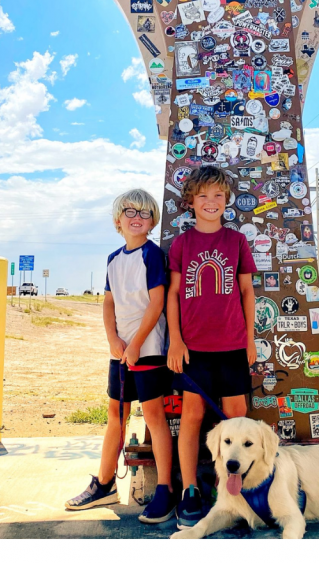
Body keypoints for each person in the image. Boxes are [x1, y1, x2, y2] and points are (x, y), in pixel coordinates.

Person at [66, 189, 176, 522]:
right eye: (130, 212)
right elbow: (109, 303)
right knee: (116, 414)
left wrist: (136, 343)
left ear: (152, 221)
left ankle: (166, 490)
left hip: (150, 350)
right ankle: (104, 484)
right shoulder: (113, 259)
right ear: (118, 220)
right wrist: (113, 339)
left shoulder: (153, 255)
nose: (137, 218)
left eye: (144, 213)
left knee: (154, 418)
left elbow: (157, 304)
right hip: (121, 353)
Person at [167, 165, 257, 528]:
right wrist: (176, 339)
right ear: (190, 202)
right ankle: (190, 490)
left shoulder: (236, 241)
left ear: (226, 201)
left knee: (236, 421)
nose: (211, 202)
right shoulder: (181, 244)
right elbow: (173, 294)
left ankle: (235, 493)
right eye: (203, 195)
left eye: (218, 195)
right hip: (194, 349)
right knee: (191, 418)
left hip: (233, 345)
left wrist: (250, 338)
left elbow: (248, 291)